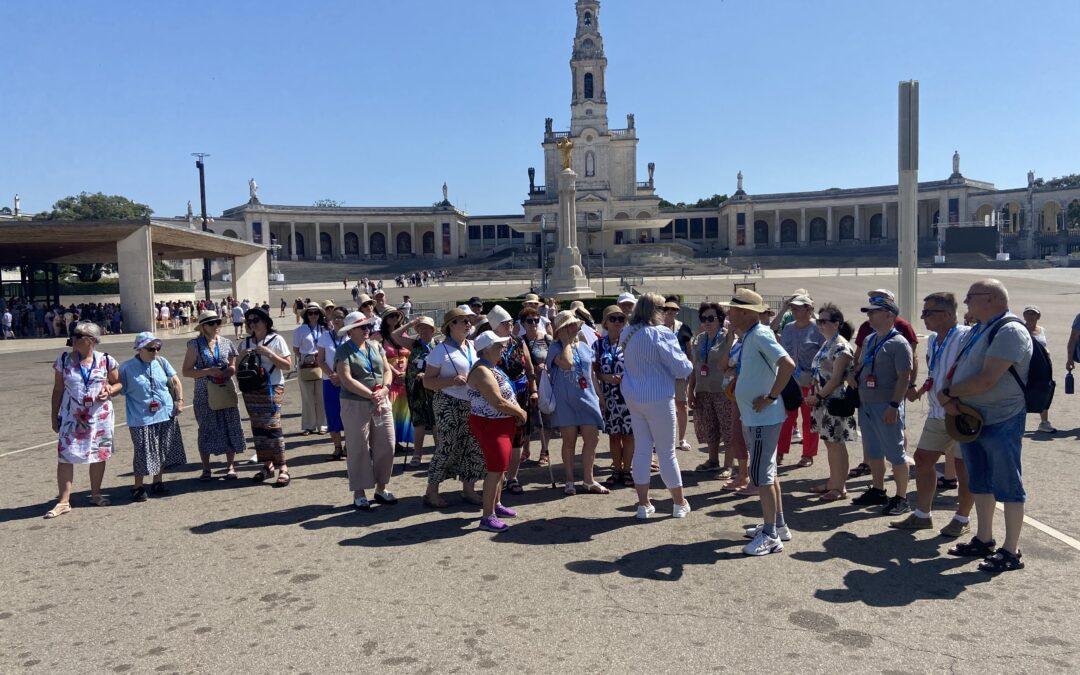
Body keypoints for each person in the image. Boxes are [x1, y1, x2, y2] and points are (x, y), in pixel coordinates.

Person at [940, 279, 1032, 572]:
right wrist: (951, 398)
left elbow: (987, 379)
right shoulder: (982, 328)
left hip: (1001, 418)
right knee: (979, 481)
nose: (966, 303)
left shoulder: (1010, 330)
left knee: (1008, 484)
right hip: (973, 417)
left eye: (970, 297)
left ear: (990, 298)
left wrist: (951, 393)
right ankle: (984, 538)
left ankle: (1011, 550)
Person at [889, 292, 975, 536]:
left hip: (960, 412)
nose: (923, 317)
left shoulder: (966, 337)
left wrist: (957, 400)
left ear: (947, 314)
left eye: (928, 312)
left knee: (962, 466)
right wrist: (921, 388)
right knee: (924, 460)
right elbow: (936, 371)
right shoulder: (934, 340)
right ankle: (922, 515)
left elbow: (974, 371)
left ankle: (962, 518)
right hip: (938, 412)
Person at [719, 290, 796, 556]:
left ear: (746, 313)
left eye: (732, 309)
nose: (728, 314)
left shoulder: (760, 334)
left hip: (763, 417)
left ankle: (771, 534)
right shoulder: (751, 335)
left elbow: (788, 365)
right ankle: (778, 525)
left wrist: (771, 397)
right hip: (756, 416)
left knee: (762, 474)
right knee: (768, 472)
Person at [619, 294, 694, 517]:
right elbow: (682, 368)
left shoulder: (627, 331)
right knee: (666, 452)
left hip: (634, 396)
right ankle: (679, 503)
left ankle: (643, 504)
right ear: (655, 310)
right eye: (663, 308)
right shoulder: (661, 333)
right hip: (658, 397)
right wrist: (687, 363)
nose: (666, 312)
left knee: (642, 450)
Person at [45, 322, 121, 518]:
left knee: (99, 455)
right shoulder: (63, 360)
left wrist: (110, 390)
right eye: (74, 334)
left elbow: (118, 383)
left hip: (100, 417)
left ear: (92, 341)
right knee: (65, 456)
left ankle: (95, 494)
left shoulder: (105, 360)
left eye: (79, 335)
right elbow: (58, 390)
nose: (74, 338)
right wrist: (54, 416)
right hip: (72, 418)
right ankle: (63, 501)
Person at [851, 295, 914, 516]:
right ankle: (878, 490)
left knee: (896, 453)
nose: (869, 315)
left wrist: (894, 405)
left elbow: (904, 377)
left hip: (887, 405)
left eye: (874, 312)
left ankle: (902, 497)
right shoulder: (870, 339)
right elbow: (861, 364)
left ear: (889, 315)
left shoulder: (899, 343)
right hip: (867, 403)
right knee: (873, 451)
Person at [422, 308, 486, 508]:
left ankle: (468, 489)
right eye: (463, 321)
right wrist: (450, 380)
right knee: (447, 446)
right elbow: (427, 382)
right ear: (451, 325)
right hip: (447, 402)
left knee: (472, 446)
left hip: (472, 402)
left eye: (469, 320)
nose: (468, 324)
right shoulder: (440, 351)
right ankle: (431, 492)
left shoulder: (473, 346)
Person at [467, 330, 529, 532]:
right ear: (485, 350)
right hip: (491, 424)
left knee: (501, 467)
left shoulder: (491, 367)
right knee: (495, 470)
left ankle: (496, 504)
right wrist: (520, 412)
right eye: (497, 346)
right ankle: (487, 516)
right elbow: (497, 401)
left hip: (501, 424)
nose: (502, 349)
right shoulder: (482, 371)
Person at [335, 312, 397, 510]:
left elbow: (387, 370)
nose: (367, 330)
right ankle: (359, 491)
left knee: (387, 444)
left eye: (368, 326)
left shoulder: (376, 346)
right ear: (351, 331)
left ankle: (381, 488)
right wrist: (371, 394)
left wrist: (385, 389)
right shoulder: (343, 351)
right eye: (362, 327)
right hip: (356, 403)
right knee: (358, 446)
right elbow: (346, 379)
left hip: (381, 400)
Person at [118, 333, 186, 501]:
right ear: (140, 349)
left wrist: (179, 400)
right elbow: (118, 388)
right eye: (151, 348)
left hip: (166, 413)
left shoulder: (161, 362)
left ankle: (158, 481)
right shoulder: (126, 368)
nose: (155, 351)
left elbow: (176, 381)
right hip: (141, 417)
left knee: (163, 449)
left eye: (157, 347)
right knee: (142, 451)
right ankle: (138, 486)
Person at [548, 310, 608, 495]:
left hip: (587, 397)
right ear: (562, 329)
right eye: (569, 325)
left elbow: (591, 374)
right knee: (569, 442)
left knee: (592, 438)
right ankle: (569, 480)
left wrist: (600, 395)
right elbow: (566, 363)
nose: (574, 327)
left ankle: (588, 480)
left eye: (574, 324)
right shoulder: (555, 347)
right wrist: (566, 342)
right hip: (565, 400)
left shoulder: (584, 346)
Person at [182, 311, 245, 480]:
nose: (216, 326)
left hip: (224, 388)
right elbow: (186, 371)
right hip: (204, 391)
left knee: (230, 424)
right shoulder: (194, 345)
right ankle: (206, 468)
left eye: (218, 322)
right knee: (206, 428)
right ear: (203, 327)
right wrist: (209, 371)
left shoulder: (226, 343)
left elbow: (233, 365)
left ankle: (230, 466)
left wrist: (229, 370)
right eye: (211, 323)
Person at [804, 304, 857, 501]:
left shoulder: (841, 346)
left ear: (836, 324)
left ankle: (839, 487)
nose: (820, 325)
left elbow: (836, 379)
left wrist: (818, 397)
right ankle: (833, 482)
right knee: (830, 443)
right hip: (823, 401)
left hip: (834, 400)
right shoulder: (828, 343)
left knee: (836, 444)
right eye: (819, 321)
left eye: (824, 321)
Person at [238, 307, 293, 487]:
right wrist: (241, 357)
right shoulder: (244, 343)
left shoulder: (277, 340)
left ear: (266, 322)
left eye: (256, 320)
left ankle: (283, 467)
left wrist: (269, 353)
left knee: (273, 425)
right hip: (251, 390)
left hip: (272, 387)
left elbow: (287, 365)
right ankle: (267, 465)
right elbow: (236, 367)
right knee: (258, 427)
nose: (253, 324)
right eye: (250, 321)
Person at [484, 305, 535, 495]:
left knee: (518, 439)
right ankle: (499, 477)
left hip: (520, 395)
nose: (510, 326)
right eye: (505, 323)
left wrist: (534, 390)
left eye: (511, 323)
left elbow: (529, 368)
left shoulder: (519, 342)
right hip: (498, 397)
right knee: (501, 438)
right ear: (495, 327)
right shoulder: (489, 344)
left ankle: (512, 477)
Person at [688, 302, 735, 477]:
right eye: (703, 318)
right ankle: (713, 460)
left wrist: (731, 337)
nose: (707, 322)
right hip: (703, 389)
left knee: (727, 427)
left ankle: (728, 466)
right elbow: (695, 366)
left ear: (720, 320)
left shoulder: (727, 337)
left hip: (722, 390)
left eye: (711, 318)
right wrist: (690, 390)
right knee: (710, 426)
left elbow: (731, 361)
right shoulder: (700, 339)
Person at [778, 294, 824, 467]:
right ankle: (780, 452)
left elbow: (824, 354)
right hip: (789, 380)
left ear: (809, 309)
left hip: (809, 381)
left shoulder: (818, 329)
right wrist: (782, 310)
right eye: (793, 308)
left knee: (808, 419)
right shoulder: (788, 328)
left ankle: (808, 454)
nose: (794, 311)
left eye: (798, 307)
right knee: (785, 418)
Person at [594, 305, 635, 488]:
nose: (618, 322)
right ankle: (616, 470)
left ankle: (627, 470)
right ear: (605, 323)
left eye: (621, 319)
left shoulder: (630, 342)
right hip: (609, 397)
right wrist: (607, 378)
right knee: (613, 435)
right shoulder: (598, 345)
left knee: (628, 435)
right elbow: (593, 373)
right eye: (613, 319)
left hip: (627, 395)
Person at [394, 315, 438, 466]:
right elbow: (395, 335)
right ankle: (417, 454)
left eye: (427, 328)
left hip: (434, 389)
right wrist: (411, 323)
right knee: (418, 422)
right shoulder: (414, 344)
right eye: (420, 328)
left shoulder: (439, 345)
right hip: (415, 389)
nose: (423, 330)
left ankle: (438, 454)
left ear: (433, 330)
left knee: (435, 421)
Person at [521, 307, 554, 467]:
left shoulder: (547, 339)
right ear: (523, 323)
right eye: (530, 321)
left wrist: (547, 365)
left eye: (536, 320)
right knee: (525, 420)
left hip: (544, 384)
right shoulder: (519, 341)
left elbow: (556, 359)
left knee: (544, 419)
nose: (534, 323)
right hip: (525, 385)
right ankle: (525, 450)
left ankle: (544, 452)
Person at [379, 307, 413, 452]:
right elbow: (379, 358)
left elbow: (410, 355)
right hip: (389, 377)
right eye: (391, 316)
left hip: (404, 376)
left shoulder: (403, 334)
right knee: (391, 410)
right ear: (385, 319)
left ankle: (399, 439)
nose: (394, 318)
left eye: (396, 316)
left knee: (403, 410)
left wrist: (406, 373)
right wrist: (394, 372)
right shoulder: (379, 336)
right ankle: (390, 441)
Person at [661, 299, 694, 451]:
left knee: (682, 405)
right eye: (667, 309)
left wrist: (689, 373)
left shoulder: (683, 328)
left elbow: (689, 352)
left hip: (679, 374)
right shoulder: (657, 328)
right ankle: (661, 439)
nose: (670, 312)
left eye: (673, 310)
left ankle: (682, 438)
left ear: (677, 311)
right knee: (662, 406)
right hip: (661, 373)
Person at [317, 306, 349, 460]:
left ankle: (348, 446)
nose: (338, 319)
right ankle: (337, 447)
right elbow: (320, 360)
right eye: (335, 316)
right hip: (329, 381)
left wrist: (342, 376)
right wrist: (332, 375)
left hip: (348, 381)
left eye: (341, 316)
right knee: (332, 413)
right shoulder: (325, 336)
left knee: (349, 413)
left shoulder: (351, 336)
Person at [293, 302, 328, 435]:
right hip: (306, 366)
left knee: (321, 396)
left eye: (316, 312)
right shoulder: (300, 330)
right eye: (310, 313)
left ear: (320, 314)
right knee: (307, 397)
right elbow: (296, 350)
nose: (313, 315)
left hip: (322, 365)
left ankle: (322, 424)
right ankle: (309, 425)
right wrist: (307, 358)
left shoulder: (325, 329)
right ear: (306, 315)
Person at [1022, 306, 1055, 433]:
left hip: (1043, 366)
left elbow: (1044, 345)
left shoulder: (1041, 330)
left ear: (1038, 316)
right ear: (1024, 316)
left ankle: (1044, 423)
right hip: (1026, 366)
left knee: (1044, 392)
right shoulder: (1021, 329)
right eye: (1028, 313)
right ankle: (1019, 423)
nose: (1030, 316)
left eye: (1033, 314)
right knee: (1022, 394)